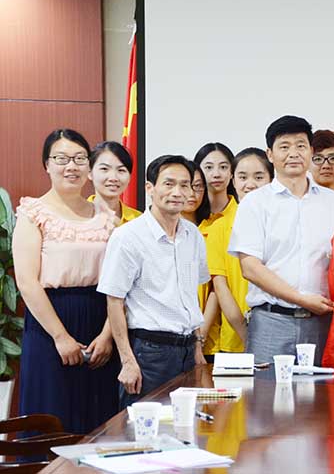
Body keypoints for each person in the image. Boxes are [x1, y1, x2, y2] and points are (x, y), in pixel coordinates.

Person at [13, 129, 118, 434]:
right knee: (52, 414)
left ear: (89, 166)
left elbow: (120, 282)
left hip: (100, 321)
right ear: (47, 165)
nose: (71, 166)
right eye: (61, 159)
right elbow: (27, 282)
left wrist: (108, 335)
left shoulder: (105, 216)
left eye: (79, 158)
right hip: (49, 325)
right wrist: (60, 337)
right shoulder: (33, 213)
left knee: (98, 418)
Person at [228, 115, 334, 364]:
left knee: (323, 390)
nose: (293, 153)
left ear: (311, 151)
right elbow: (250, 268)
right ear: (270, 154)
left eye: (300, 145)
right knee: (266, 389)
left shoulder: (332, 202)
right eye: (284, 146)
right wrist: (301, 299)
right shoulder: (255, 203)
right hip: (271, 321)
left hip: (322, 322)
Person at [97, 155, 209, 408]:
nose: (177, 192)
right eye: (169, 184)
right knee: (146, 425)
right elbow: (114, 301)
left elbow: (192, 295)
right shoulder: (128, 236)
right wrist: (127, 361)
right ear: (150, 188)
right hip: (150, 352)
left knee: (188, 423)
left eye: (185, 185)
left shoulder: (193, 235)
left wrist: (197, 347)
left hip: (188, 350)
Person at [207, 148, 275, 353]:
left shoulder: (283, 223)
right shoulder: (219, 227)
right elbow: (220, 287)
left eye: (259, 177)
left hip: (278, 330)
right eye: (243, 177)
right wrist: (246, 335)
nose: (250, 184)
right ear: (233, 180)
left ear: (272, 180)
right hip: (235, 340)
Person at [181, 167, 220, 361]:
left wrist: (201, 333)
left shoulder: (214, 227)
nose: (191, 193)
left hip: (209, 334)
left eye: (197, 186)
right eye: (186, 186)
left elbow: (215, 286)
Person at [88, 141, 141, 225]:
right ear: (90, 173)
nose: (113, 178)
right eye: (104, 169)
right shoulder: (76, 217)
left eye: (121, 170)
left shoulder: (139, 220)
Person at [194, 142, 239, 227]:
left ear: (232, 172)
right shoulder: (188, 215)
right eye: (209, 167)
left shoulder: (241, 214)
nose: (216, 174)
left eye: (223, 167)